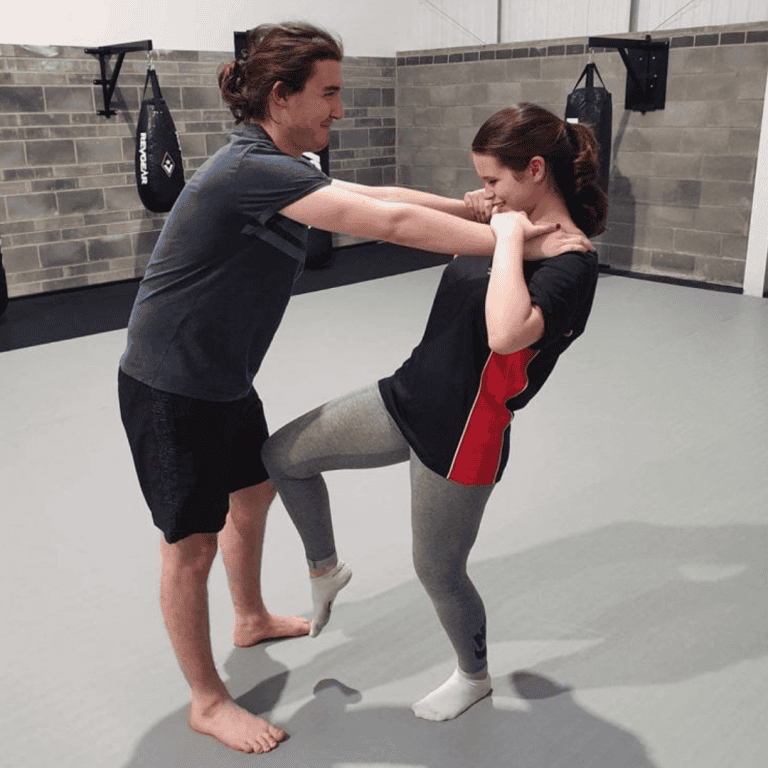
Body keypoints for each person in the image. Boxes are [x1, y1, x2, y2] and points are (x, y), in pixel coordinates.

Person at [117, 21, 587, 755]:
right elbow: (390, 222)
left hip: (225, 377)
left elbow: (383, 194)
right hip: (171, 383)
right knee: (189, 545)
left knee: (255, 486)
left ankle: (249, 618)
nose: (341, 108)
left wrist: (472, 211)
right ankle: (207, 701)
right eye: (329, 93)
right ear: (282, 96)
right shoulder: (250, 169)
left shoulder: (283, 160)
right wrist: (522, 239)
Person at [261, 102, 607, 723]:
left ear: (535, 170)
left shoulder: (571, 261)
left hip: (465, 432)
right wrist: (306, 183)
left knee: (439, 570)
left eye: (494, 180)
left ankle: (473, 676)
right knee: (283, 455)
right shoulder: (504, 218)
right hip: (407, 396)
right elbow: (391, 205)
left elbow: (507, 334)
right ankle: (326, 570)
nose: (485, 193)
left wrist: (507, 238)